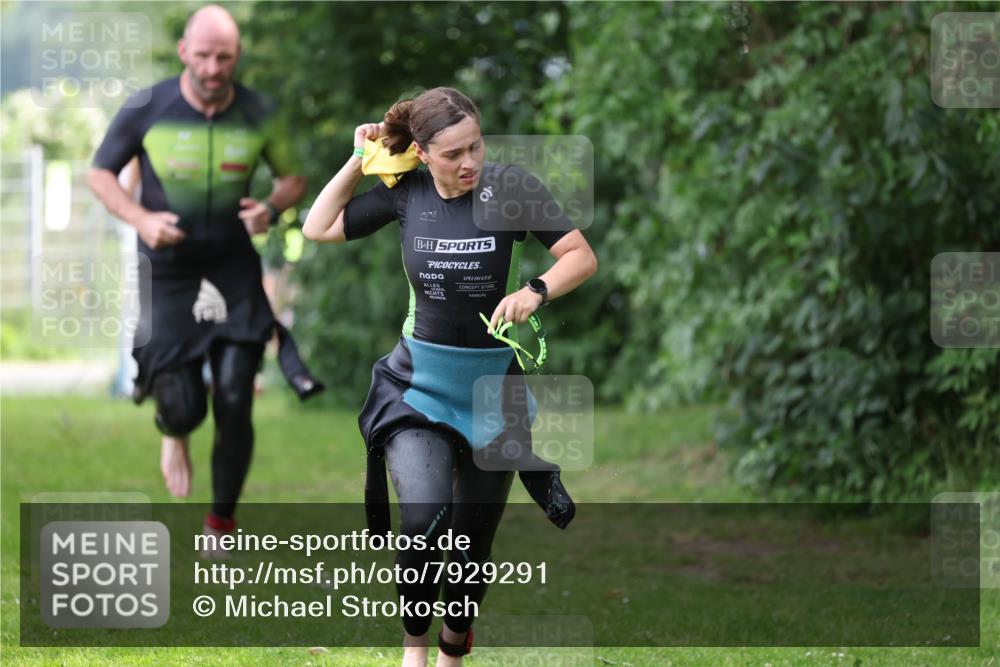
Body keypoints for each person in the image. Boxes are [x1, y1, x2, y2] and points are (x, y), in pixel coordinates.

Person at [303, 87, 597, 667]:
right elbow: (318, 226)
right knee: (421, 524)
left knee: (470, 547)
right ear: (421, 153)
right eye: (453, 153)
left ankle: (452, 654)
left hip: (493, 395)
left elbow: (580, 256)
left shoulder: (511, 189)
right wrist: (361, 159)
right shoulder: (405, 192)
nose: (470, 163)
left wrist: (535, 291)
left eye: (476, 146)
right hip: (419, 390)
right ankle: (414, 655)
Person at [87, 4, 323, 546]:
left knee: (236, 396)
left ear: (237, 57)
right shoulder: (149, 105)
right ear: (184, 53)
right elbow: (99, 173)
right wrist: (141, 218)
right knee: (183, 403)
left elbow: (293, 179)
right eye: (204, 56)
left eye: (224, 57)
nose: (214, 68)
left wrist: (269, 208)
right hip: (169, 269)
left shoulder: (260, 110)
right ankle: (174, 430)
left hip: (234, 265)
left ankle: (220, 521)